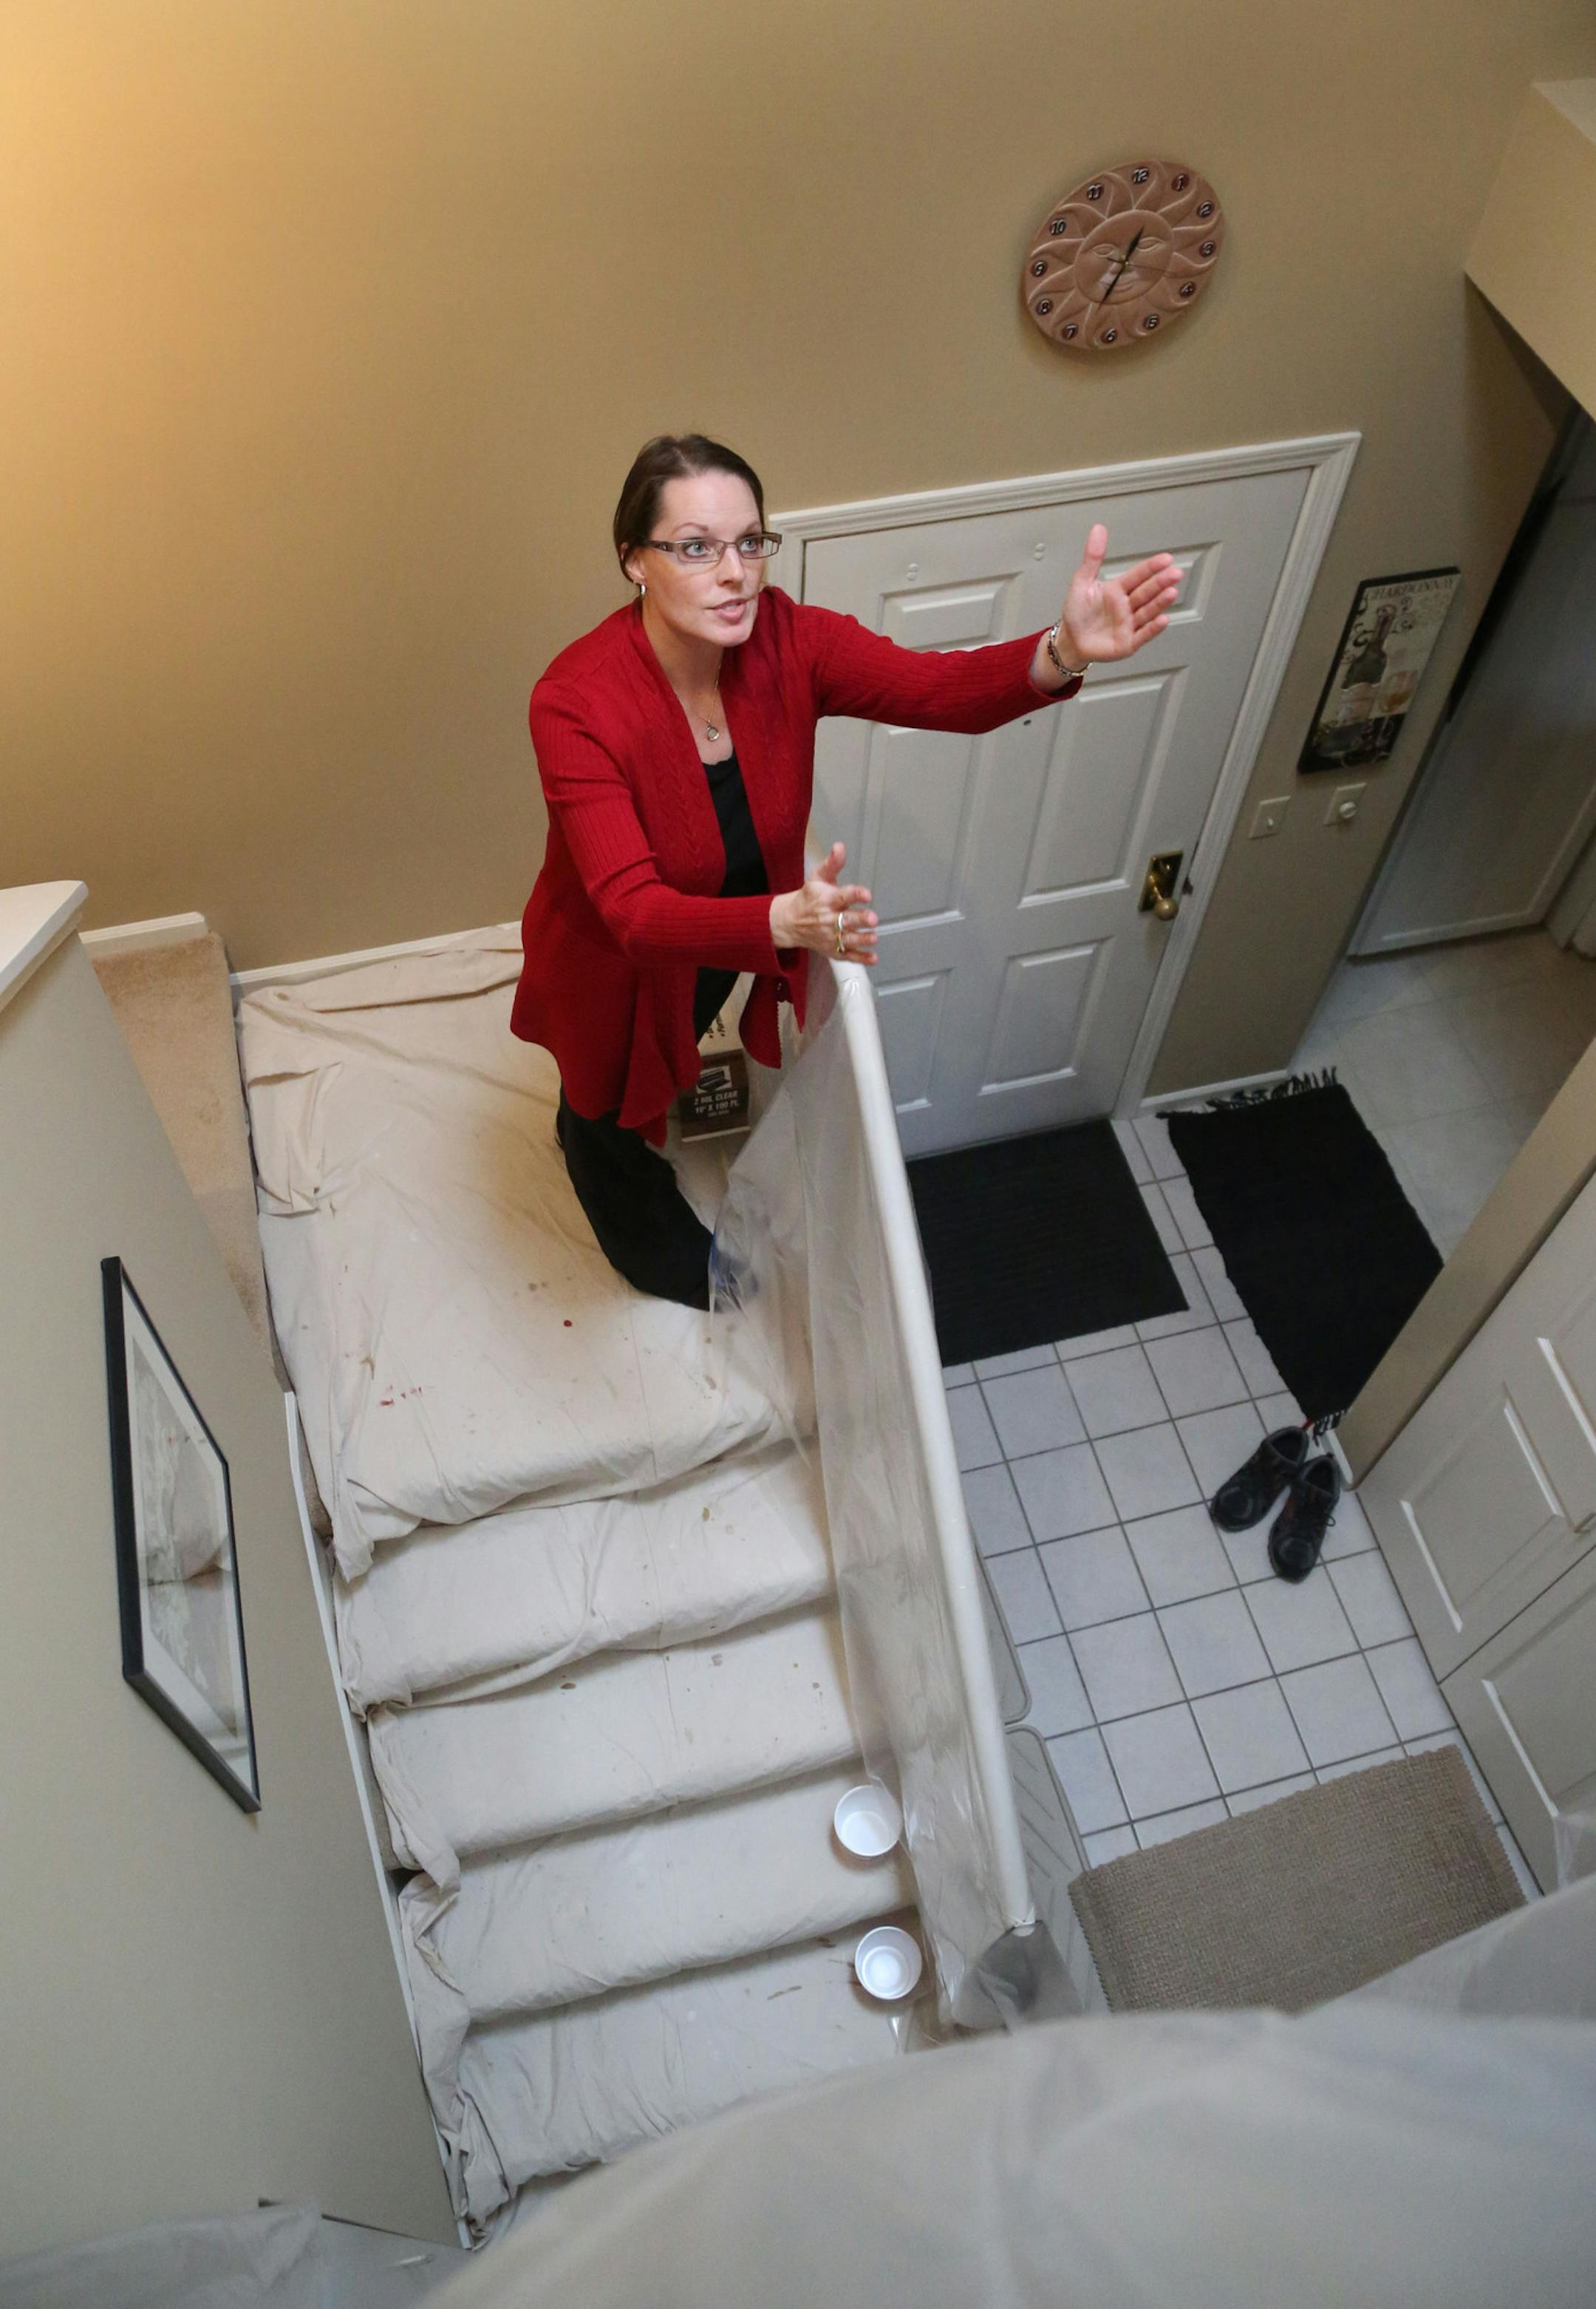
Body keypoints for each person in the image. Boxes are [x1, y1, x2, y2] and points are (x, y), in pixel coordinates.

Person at [511, 433, 1181, 1307]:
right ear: (635, 559)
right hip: (605, 965)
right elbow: (634, 912)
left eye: (751, 542)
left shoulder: (788, 639)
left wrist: (1064, 649)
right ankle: (638, 1222)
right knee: (600, 1110)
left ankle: (635, 1111)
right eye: (696, 547)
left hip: (719, 943)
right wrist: (782, 924)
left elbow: (936, 691)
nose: (735, 573)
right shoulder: (575, 701)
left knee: (670, 1062)